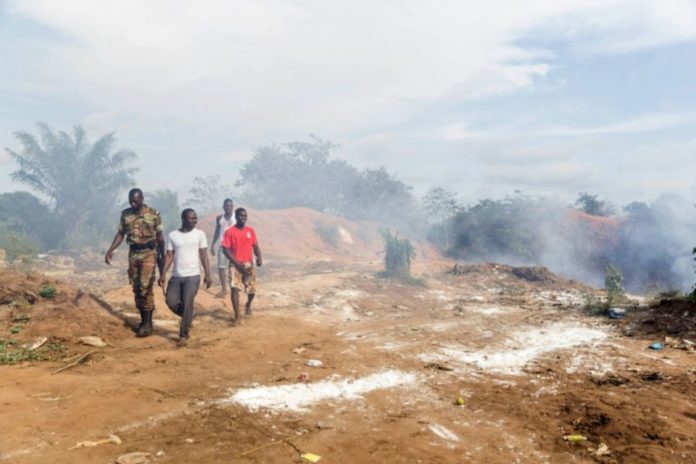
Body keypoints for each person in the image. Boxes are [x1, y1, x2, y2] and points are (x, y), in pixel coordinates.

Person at [105, 188, 165, 337]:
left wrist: (162, 257)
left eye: (135, 200)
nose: (133, 203)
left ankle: (148, 323)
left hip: (149, 253)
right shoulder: (125, 215)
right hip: (133, 254)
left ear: (142, 198)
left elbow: (160, 237)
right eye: (131, 200)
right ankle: (144, 320)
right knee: (137, 288)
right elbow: (121, 234)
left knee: (146, 286)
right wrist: (110, 249)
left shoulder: (153, 213)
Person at [158, 208, 212, 347]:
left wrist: (208, 273)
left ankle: (183, 335)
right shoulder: (173, 235)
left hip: (193, 276)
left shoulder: (200, 234)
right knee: (171, 301)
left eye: (195, 218)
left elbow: (203, 254)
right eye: (191, 218)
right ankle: (188, 316)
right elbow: (169, 255)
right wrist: (163, 274)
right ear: (183, 219)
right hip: (177, 276)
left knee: (188, 302)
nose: (195, 220)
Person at [221, 208, 262, 325]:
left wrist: (259, 257)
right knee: (235, 289)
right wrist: (236, 263)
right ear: (236, 217)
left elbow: (255, 245)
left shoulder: (251, 230)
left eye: (245, 216)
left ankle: (248, 304)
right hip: (235, 264)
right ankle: (237, 316)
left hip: (249, 264)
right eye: (240, 216)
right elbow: (225, 249)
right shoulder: (229, 232)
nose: (243, 218)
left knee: (252, 290)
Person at [210, 199, 235, 297]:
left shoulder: (235, 217)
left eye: (230, 206)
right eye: (226, 206)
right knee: (221, 267)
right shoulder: (219, 218)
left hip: (234, 246)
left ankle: (234, 287)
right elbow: (217, 231)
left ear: (232, 206)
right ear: (223, 207)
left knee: (234, 267)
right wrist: (212, 244)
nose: (228, 207)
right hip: (223, 245)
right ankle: (224, 289)